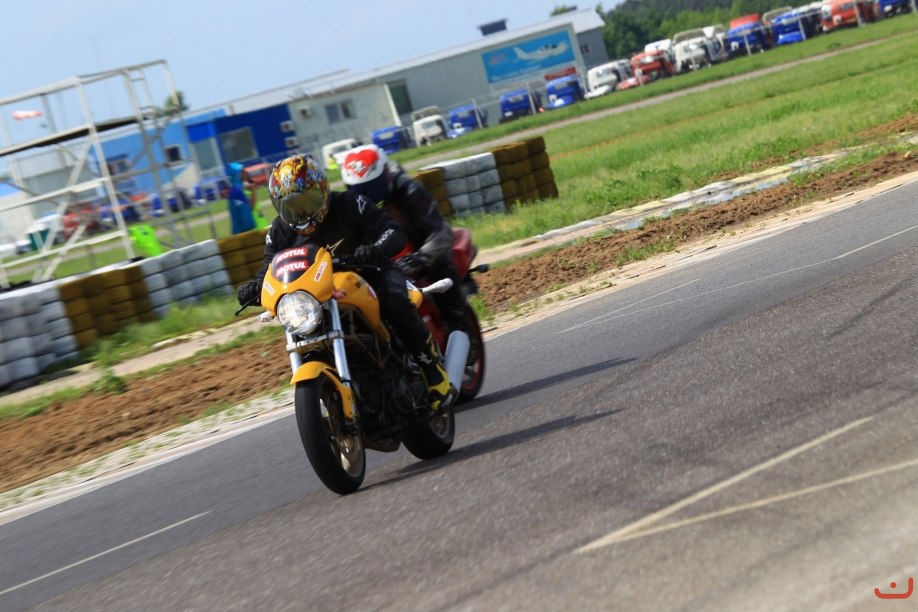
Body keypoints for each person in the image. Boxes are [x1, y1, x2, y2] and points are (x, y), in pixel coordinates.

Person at [235, 153, 454, 412]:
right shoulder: (280, 230)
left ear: (323, 190)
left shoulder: (351, 204)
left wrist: (375, 249)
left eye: (307, 200)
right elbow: (270, 267)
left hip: (369, 274)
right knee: (298, 324)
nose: (301, 211)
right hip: (318, 293)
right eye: (291, 206)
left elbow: (391, 231)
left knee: (394, 300)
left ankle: (432, 369)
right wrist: (256, 286)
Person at [340, 144, 468, 335]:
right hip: (384, 256)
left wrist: (421, 257)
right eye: (357, 190)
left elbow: (441, 231)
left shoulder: (409, 190)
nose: (367, 196)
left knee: (441, 270)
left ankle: (460, 326)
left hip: (422, 247)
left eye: (372, 187)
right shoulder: (350, 207)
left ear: (385, 175)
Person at [226, 162, 256, 234]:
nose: (246, 172)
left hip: (239, 232)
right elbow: (247, 213)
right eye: (242, 171)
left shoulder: (235, 190)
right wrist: (253, 190)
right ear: (236, 174)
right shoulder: (237, 191)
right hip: (244, 233)